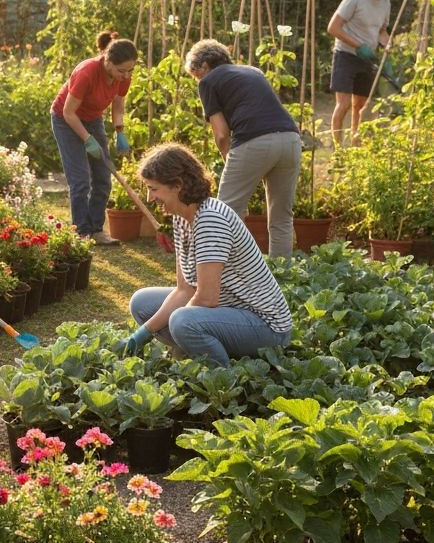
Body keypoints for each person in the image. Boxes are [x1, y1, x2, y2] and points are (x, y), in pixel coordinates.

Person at [123, 143, 292, 366]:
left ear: (177, 185)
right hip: (227, 313)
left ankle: (221, 374)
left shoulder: (210, 220)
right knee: (141, 303)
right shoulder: (181, 217)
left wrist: (180, 325)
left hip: (265, 326)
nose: (149, 198)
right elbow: (185, 290)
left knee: (182, 320)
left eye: (153, 189)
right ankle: (200, 347)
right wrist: (143, 333)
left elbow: (206, 298)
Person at [185, 39, 302, 257]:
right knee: (281, 216)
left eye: (196, 75)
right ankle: (283, 272)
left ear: (205, 67)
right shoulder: (254, 72)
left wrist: (229, 160)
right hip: (290, 139)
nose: (198, 80)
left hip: (253, 140)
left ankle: (227, 269)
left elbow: (221, 134)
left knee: (225, 213)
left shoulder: (208, 81)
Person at [50, 32, 137, 245]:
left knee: (103, 177)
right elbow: (69, 113)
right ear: (108, 60)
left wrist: (120, 131)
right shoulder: (86, 73)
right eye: (121, 71)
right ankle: (81, 232)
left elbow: (118, 106)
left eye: (130, 71)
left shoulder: (123, 77)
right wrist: (88, 139)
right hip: (65, 119)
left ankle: (96, 230)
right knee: (80, 180)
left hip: (92, 118)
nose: (126, 76)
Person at [328, 0, 403, 146]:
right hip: (346, 55)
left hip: (367, 59)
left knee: (360, 105)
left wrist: (388, 46)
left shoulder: (385, 3)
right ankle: (337, 150)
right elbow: (333, 27)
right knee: (344, 104)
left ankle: (356, 146)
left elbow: (381, 31)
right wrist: (358, 45)